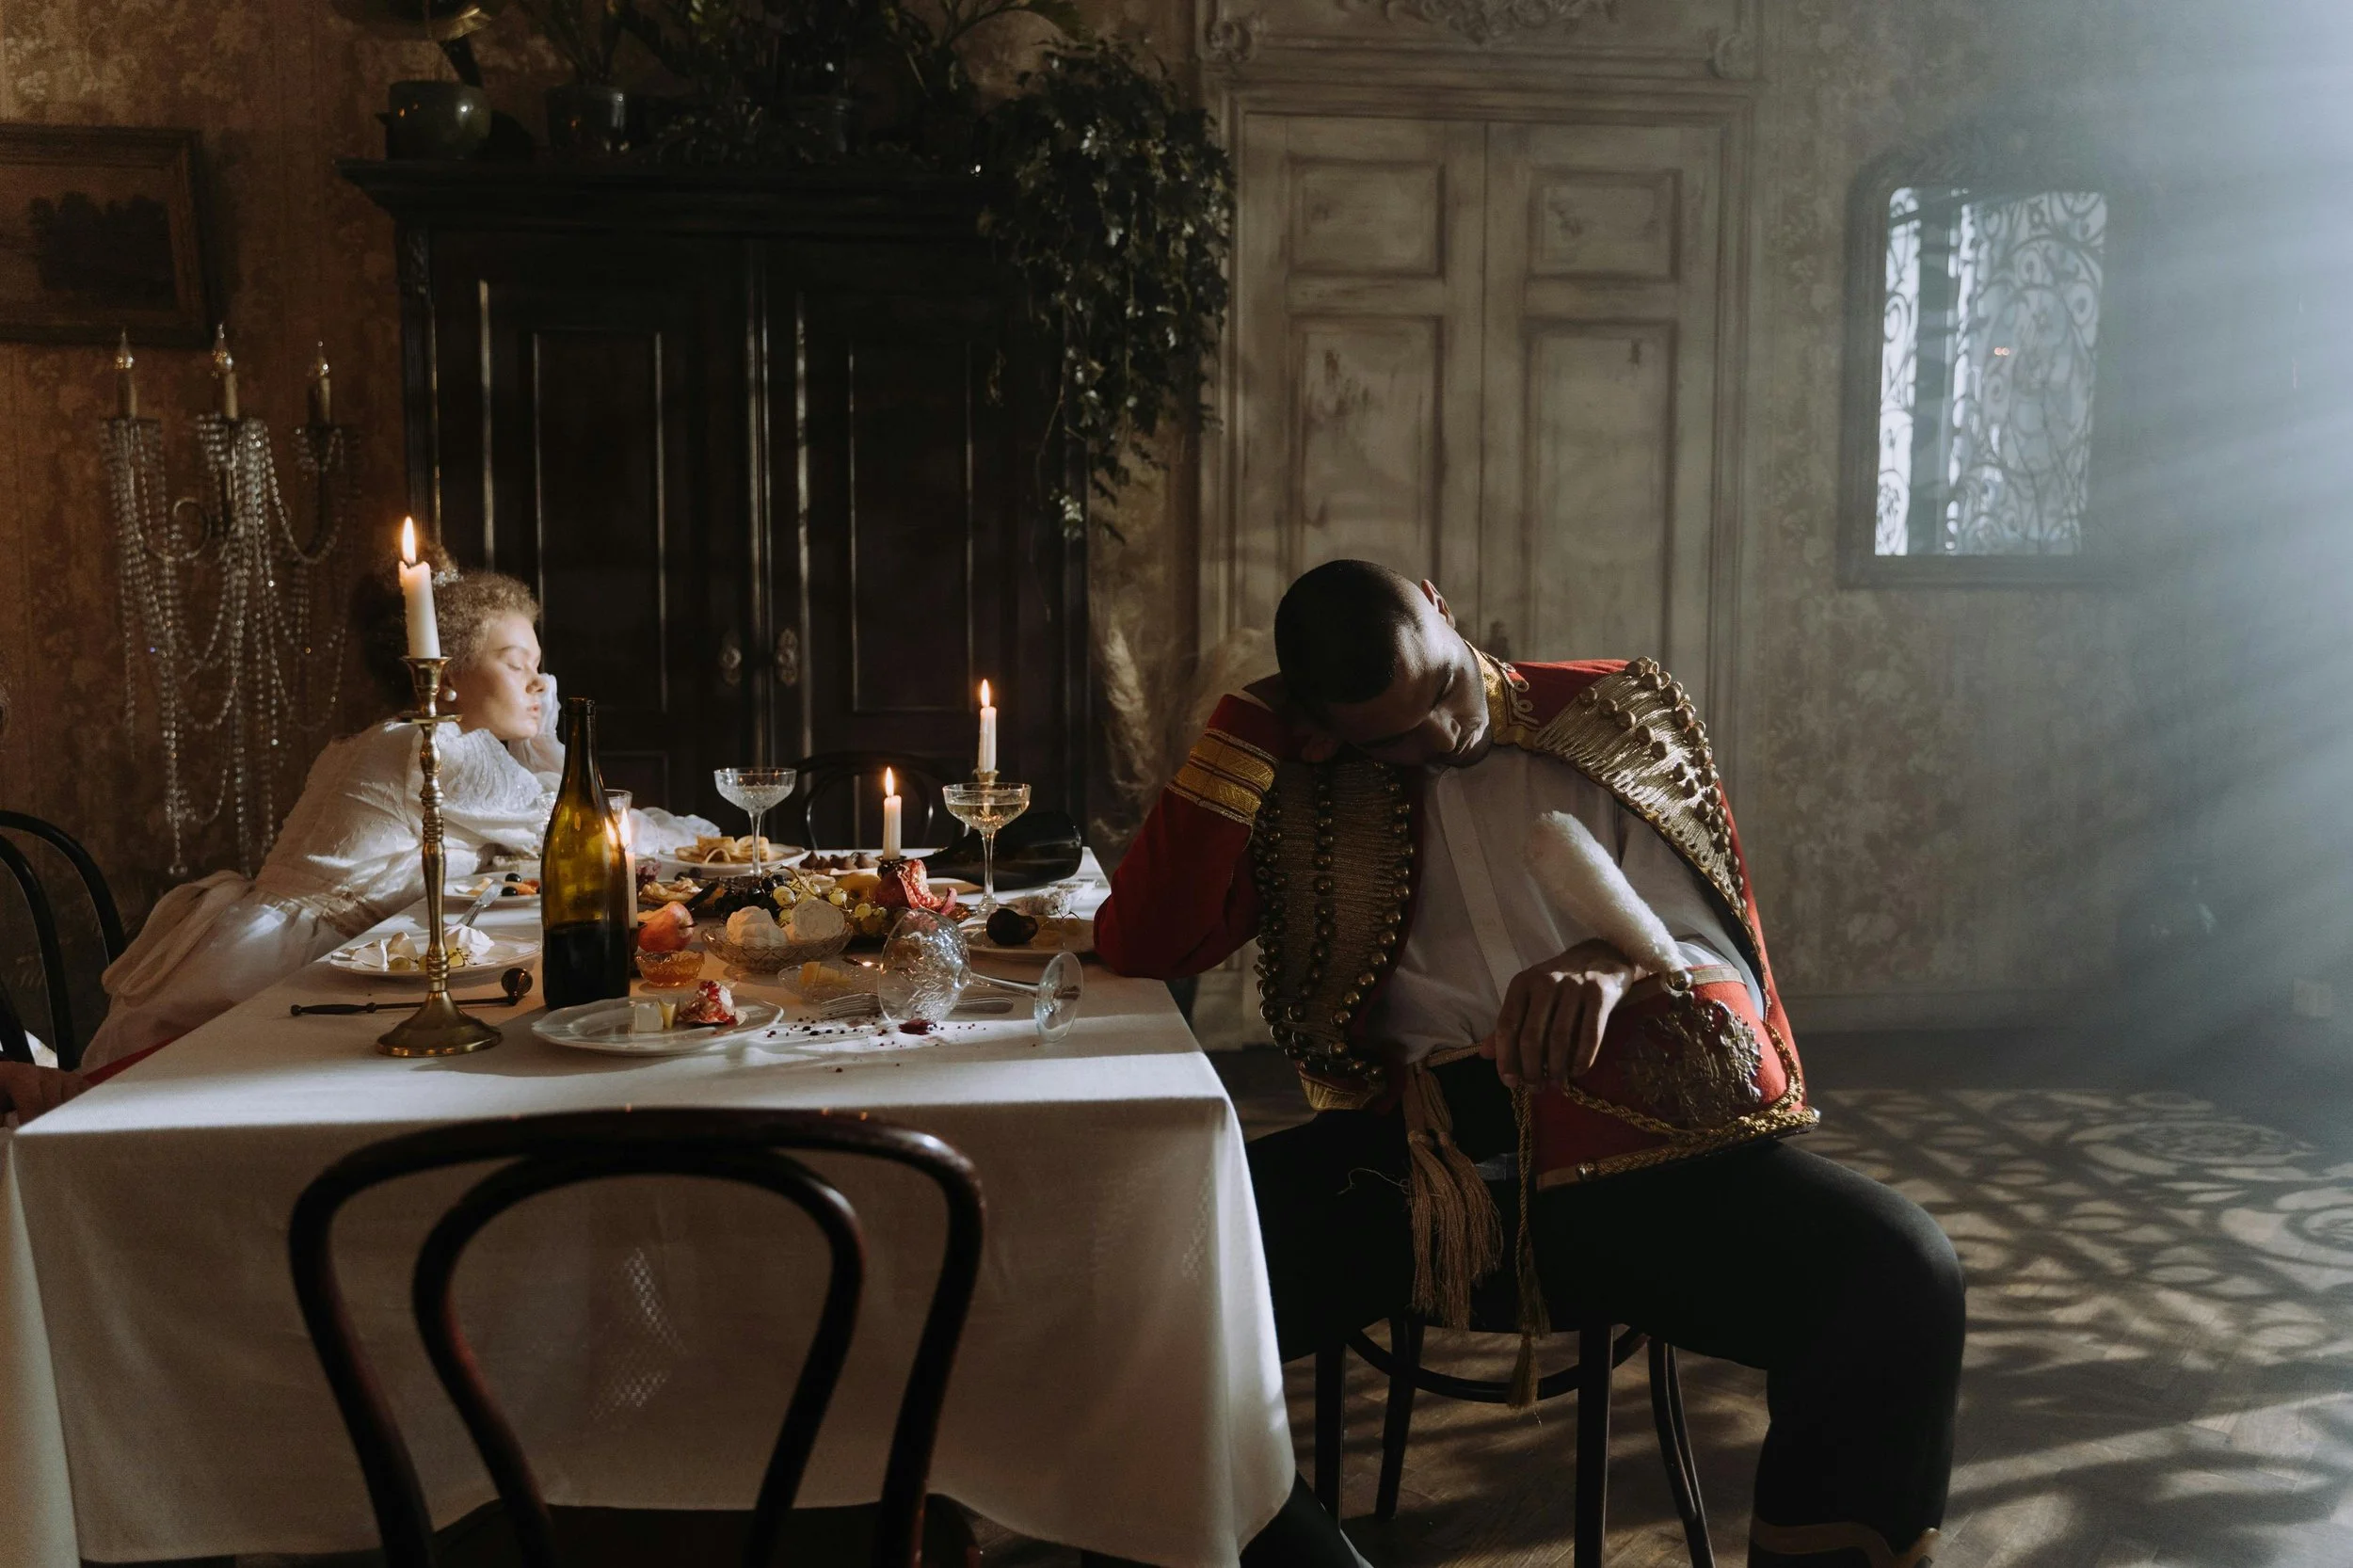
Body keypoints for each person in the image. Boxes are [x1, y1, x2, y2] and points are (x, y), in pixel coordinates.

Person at [1098, 561, 1962, 1568]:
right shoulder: (1300, 777)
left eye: (1441, 692)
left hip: (1642, 1159)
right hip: (1415, 1174)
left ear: (1440, 605)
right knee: (1142, 1291)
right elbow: (1146, 944)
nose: (1438, 739)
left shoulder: (1609, 713)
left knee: (1898, 1271)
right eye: (1389, 736)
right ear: (1326, 722)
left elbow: (1718, 955)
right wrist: (1241, 729)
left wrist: (1607, 964)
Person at [84, 563, 560, 1069]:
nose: (541, 684)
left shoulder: (396, 735)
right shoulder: (429, 747)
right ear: (449, 669)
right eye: (517, 665)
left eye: (538, 666)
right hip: (279, 969)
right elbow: (568, 823)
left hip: (263, 943)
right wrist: (548, 739)